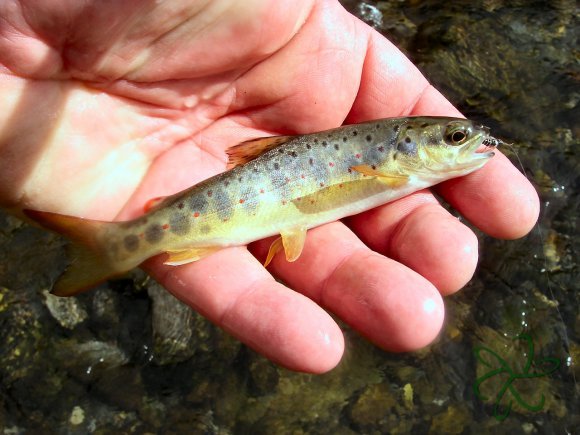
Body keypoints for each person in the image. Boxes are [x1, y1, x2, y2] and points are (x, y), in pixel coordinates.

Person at [0, 0, 538, 373]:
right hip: (261, 197)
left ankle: (115, 246)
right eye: (453, 136)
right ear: (404, 147)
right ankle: (112, 246)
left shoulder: (397, 164)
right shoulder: (391, 164)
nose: (469, 141)